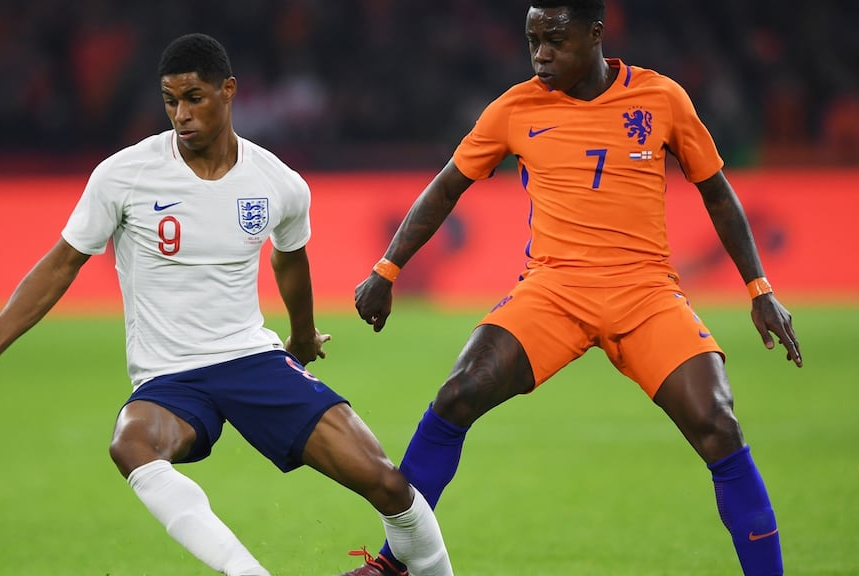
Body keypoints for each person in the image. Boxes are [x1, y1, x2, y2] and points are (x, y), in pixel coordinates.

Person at [0, 33, 453, 576]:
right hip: (170, 376)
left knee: (387, 483)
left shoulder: (278, 182)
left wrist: (302, 336)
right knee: (131, 444)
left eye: (194, 97)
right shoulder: (125, 174)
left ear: (228, 92)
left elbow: (290, 259)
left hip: (252, 360)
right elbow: (61, 264)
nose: (180, 114)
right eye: (170, 100)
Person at [343, 2, 802, 575]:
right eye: (533, 40)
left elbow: (716, 192)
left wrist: (759, 288)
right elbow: (446, 188)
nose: (541, 54)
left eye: (555, 40)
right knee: (459, 393)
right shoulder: (515, 107)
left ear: (595, 34)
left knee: (718, 424)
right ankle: (394, 563)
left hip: (645, 293)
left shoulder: (661, 99)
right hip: (554, 291)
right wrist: (387, 270)